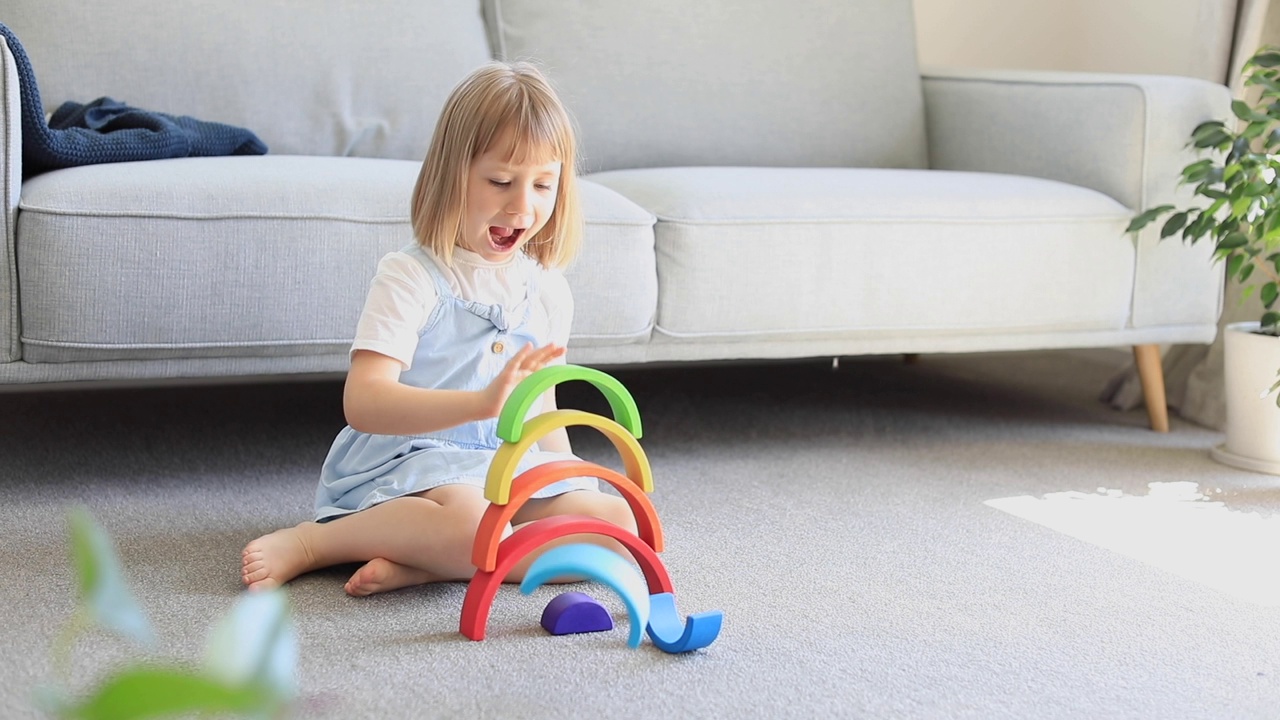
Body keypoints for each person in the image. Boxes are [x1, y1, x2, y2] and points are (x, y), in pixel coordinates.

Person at [241, 61, 637, 596]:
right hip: (411, 463)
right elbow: (364, 403)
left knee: (619, 526)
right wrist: (479, 405)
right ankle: (319, 542)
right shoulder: (412, 277)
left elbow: (543, 404)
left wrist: (562, 473)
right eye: (501, 181)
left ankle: (429, 565)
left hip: (500, 465)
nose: (523, 206)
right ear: (455, 173)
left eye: (544, 184)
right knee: (468, 526)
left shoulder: (545, 289)